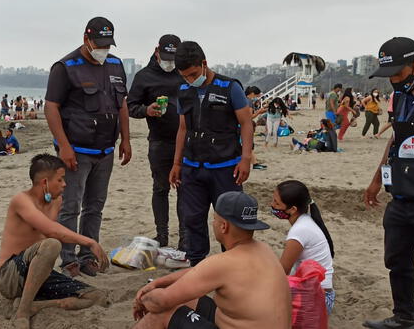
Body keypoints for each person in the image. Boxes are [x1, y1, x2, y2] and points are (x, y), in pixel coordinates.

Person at [44, 16, 132, 277]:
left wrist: (125, 138)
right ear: (86, 39)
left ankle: (87, 256)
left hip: (105, 150)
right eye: (99, 44)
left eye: (108, 45)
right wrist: (64, 146)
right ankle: (68, 260)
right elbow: (51, 107)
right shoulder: (65, 67)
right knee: (70, 207)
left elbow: (122, 104)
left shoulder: (115, 65)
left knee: (95, 206)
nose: (103, 50)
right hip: (77, 151)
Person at [132, 191, 291, 329]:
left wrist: (142, 299)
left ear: (224, 226)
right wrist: (158, 283)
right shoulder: (265, 250)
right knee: (188, 300)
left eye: (215, 219)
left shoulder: (224, 263)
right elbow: (198, 272)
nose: (213, 223)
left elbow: (161, 302)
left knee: (161, 312)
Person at [363, 37, 414, 329]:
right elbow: (396, 140)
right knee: (396, 261)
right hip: (401, 199)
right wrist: (377, 179)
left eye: (398, 74)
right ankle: (404, 318)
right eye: (389, 76)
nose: (394, 81)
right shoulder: (403, 96)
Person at [0, 154, 109, 329]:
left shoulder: (56, 201)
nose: (65, 184)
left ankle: (33, 305)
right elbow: (50, 230)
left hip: (37, 275)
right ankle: (23, 313)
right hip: (10, 276)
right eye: (60, 179)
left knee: (96, 296)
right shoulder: (21, 200)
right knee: (52, 244)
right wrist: (90, 242)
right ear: (44, 183)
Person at [168, 41, 253, 266]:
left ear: (204, 64)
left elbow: (246, 123)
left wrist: (246, 159)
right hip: (193, 167)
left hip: (226, 167)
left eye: (193, 74)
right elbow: (183, 128)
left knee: (230, 220)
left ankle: (233, 264)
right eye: (184, 76)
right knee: (192, 218)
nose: (189, 79)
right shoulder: (184, 91)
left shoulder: (229, 87)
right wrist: (176, 163)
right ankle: (197, 264)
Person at [127, 34, 186, 248]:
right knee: (160, 188)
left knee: (184, 189)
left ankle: (185, 238)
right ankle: (162, 235)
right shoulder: (144, 76)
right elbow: (130, 106)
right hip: (160, 141)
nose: (170, 63)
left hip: (187, 141)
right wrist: (146, 110)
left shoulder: (185, 72)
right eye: (167, 57)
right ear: (156, 51)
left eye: (174, 58)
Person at [271, 180, 336, 315]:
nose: (272, 205)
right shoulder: (306, 220)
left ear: (293, 209)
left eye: (276, 203)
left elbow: (282, 271)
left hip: (319, 298)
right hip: (322, 292)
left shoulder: (299, 231)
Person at [245, 86, 267, 170]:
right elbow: (249, 116)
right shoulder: (249, 101)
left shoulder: (243, 99)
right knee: (248, 146)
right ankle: (254, 164)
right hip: (245, 126)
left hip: (241, 126)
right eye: (256, 96)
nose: (257, 98)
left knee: (248, 146)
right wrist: (259, 112)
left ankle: (255, 164)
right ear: (252, 94)